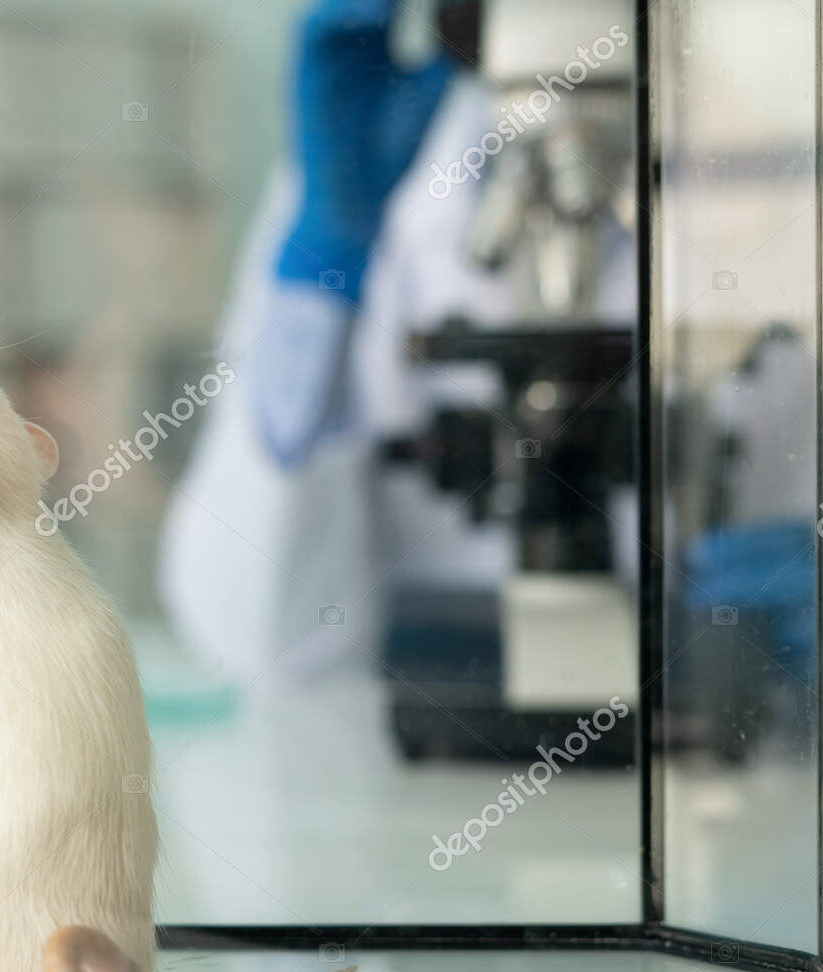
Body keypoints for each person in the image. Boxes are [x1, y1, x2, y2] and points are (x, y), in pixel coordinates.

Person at [159, 0, 635, 683]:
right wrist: (328, 257)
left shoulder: (776, 163)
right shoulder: (370, 163)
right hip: (419, 754)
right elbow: (253, 635)